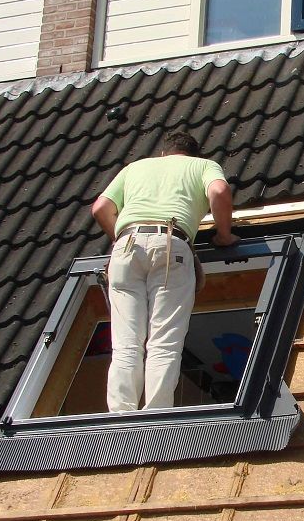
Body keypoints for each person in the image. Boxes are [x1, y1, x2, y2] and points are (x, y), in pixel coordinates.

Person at [91, 132, 239, 413]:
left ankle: (120, 415)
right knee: (163, 341)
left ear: (163, 154)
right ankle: (156, 415)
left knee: (126, 343)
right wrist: (224, 235)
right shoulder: (203, 166)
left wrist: (121, 239)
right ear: (193, 155)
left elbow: (100, 208)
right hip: (171, 242)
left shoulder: (135, 167)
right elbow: (219, 192)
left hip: (126, 246)